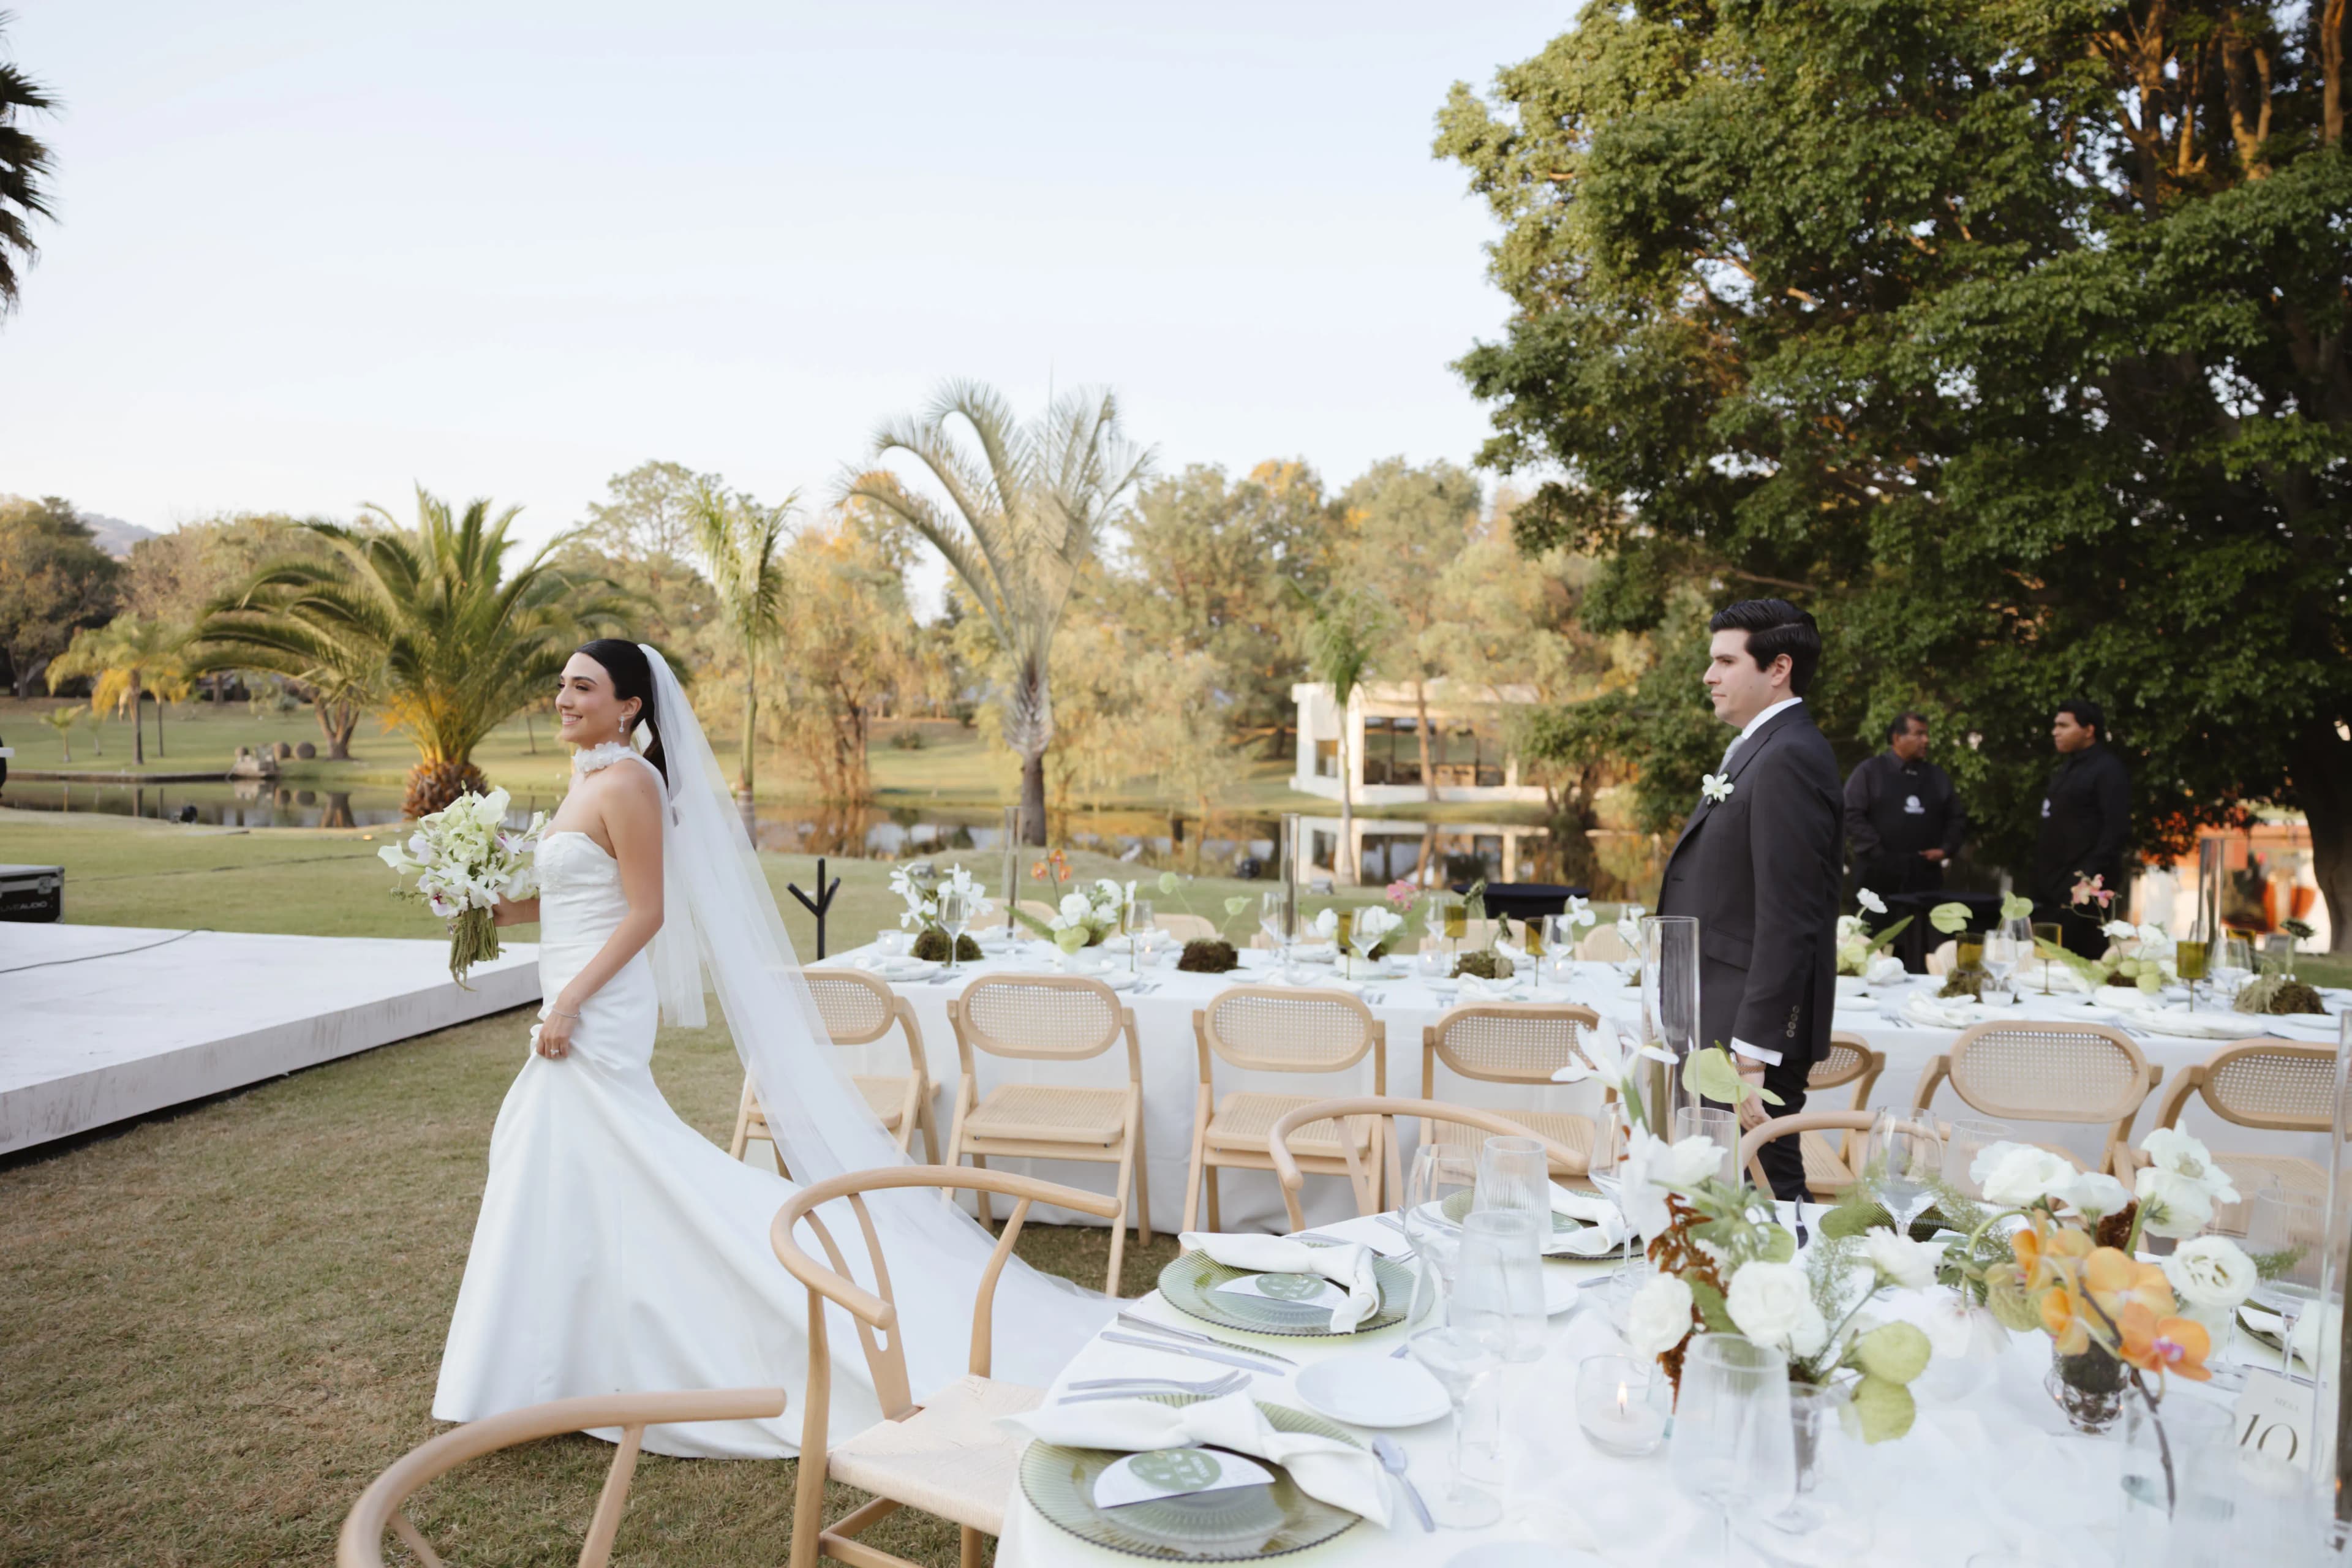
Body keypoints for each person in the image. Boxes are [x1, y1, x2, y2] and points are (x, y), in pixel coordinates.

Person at [434, 639, 1109, 1457]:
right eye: (562, 686)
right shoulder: (583, 780)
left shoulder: (633, 784)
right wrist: (491, 910)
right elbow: (586, 893)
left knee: (584, 1146)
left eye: (584, 686)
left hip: (597, 1005)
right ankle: (561, 1361)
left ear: (630, 706)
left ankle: (606, 1353)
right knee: (573, 1159)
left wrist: (572, 1001)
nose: (564, 699)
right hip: (572, 992)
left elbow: (645, 912)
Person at [1656, 600, 1844, 1203]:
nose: (1709, 675)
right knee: (1739, 1186)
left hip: (1749, 1031)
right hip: (1723, 1015)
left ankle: (1812, 1288)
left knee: (1769, 1185)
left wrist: (1754, 1053)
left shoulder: (1789, 755)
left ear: (1779, 667)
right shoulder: (1761, 745)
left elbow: (1791, 916)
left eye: (1724, 660)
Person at [2032, 698, 2130, 956]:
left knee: (2078, 963)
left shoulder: (2108, 770)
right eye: (2055, 725)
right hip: (2051, 889)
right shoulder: (2067, 770)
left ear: (2089, 730)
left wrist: (2086, 882)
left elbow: (2116, 832)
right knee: (2044, 965)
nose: (2055, 732)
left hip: (2082, 894)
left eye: (2064, 725)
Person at [1843, 712, 1967, 896]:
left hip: (1925, 877)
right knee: (1873, 925)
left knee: (1922, 924)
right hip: (1876, 875)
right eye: (1919, 734)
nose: (1926, 740)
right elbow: (1850, 813)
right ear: (1897, 738)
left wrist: (1946, 849)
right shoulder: (1870, 772)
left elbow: (1957, 817)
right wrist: (1877, 851)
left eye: (1926, 734)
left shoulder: (1937, 776)